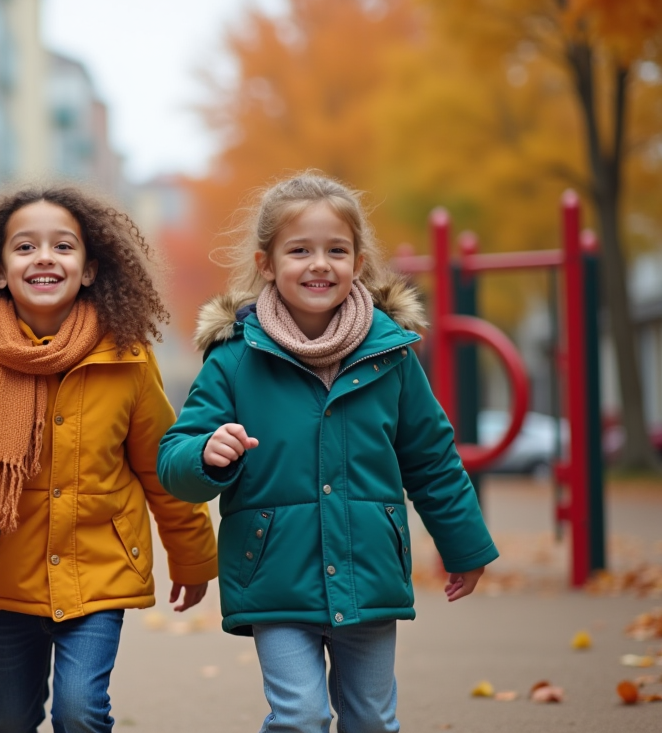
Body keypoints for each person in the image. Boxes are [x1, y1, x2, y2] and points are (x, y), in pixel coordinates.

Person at [157, 171, 498, 733]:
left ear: (358, 261)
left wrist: (464, 545)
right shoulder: (234, 361)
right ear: (267, 263)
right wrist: (206, 454)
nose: (320, 264)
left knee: (370, 718)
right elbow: (175, 460)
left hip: (368, 574)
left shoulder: (391, 358)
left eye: (336, 250)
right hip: (275, 577)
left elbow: (433, 460)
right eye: (300, 251)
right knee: (301, 716)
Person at [0, 186, 219, 733]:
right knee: (11, 719)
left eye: (62, 246)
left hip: (99, 571)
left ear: (89, 269)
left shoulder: (127, 358)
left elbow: (161, 467)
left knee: (80, 711)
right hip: (7, 575)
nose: (44, 257)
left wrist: (191, 556)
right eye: (25, 247)